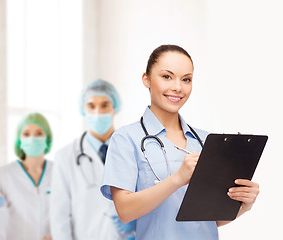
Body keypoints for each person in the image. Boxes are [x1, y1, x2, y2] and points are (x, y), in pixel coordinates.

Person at [100, 45, 260, 239]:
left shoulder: (206, 141)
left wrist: (242, 204)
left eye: (186, 79)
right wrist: (177, 179)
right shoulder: (126, 139)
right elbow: (125, 211)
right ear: (146, 79)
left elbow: (209, 220)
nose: (178, 87)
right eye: (167, 76)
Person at [50, 79, 136, 240]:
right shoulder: (66, 156)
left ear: (114, 108)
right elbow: (59, 216)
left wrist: (137, 222)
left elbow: (148, 198)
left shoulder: (133, 150)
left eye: (105, 105)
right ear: (83, 109)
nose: (98, 112)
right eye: (91, 106)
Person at [0, 112, 53, 240]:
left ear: (47, 138)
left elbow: (68, 214)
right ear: (19, 140)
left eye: (39, 133)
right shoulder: (5, 174)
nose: (32, 138)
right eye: (26, 134)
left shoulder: (58, 171)